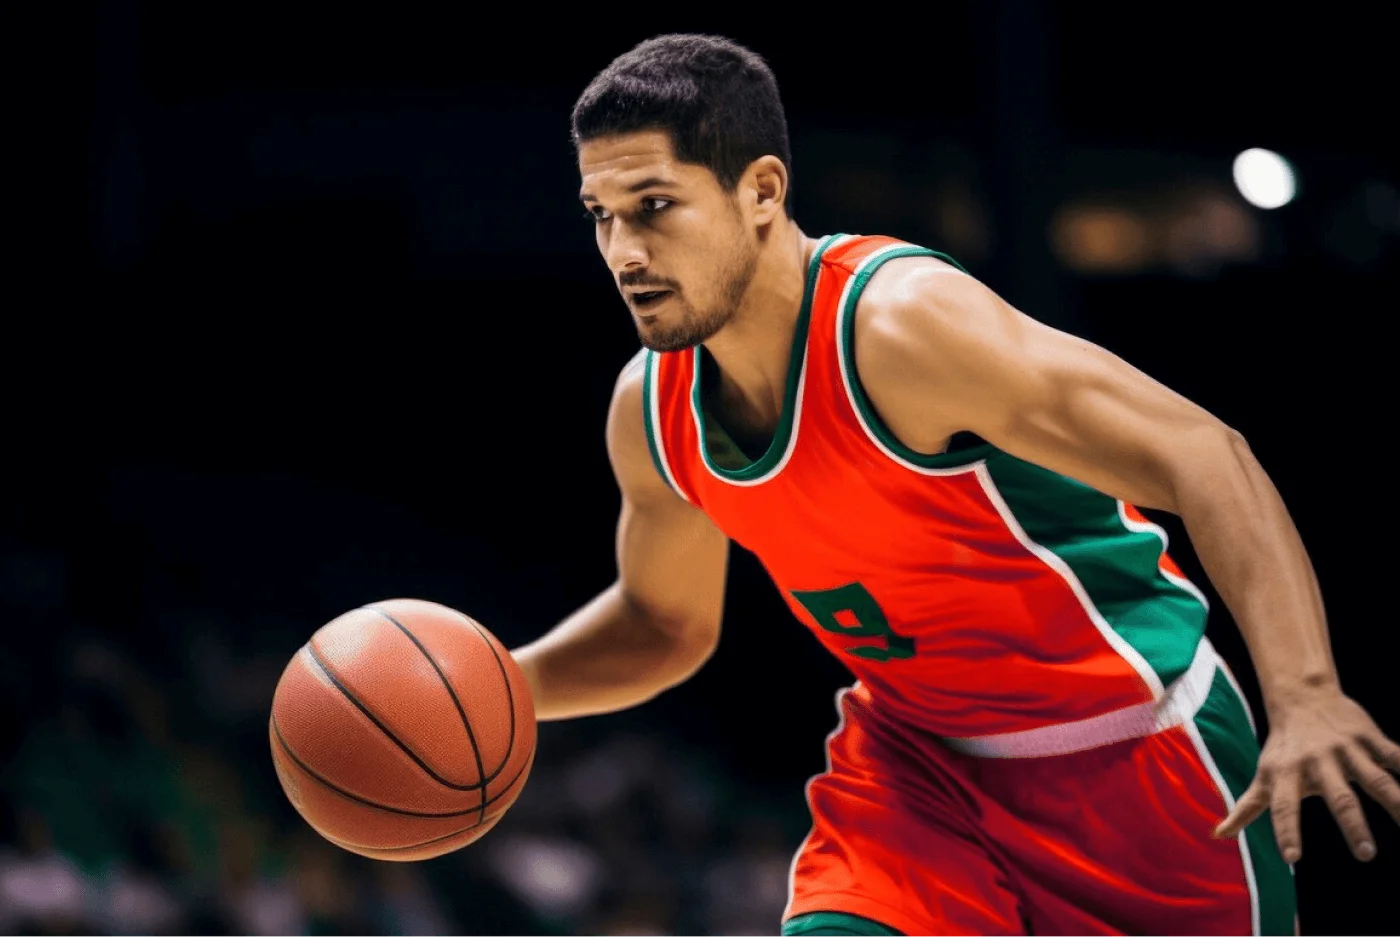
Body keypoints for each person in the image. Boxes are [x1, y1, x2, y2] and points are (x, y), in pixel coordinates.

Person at [510, 33, 1400, 937]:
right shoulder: (652, 410)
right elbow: (663, 623)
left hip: (1135, 753)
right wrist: (495, 691)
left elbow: (1203, 453)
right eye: (600, 214)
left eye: (654, 206)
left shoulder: (901, 328)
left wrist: (1306, 690)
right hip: (917, 771)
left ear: (763, 191)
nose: (623, 251)